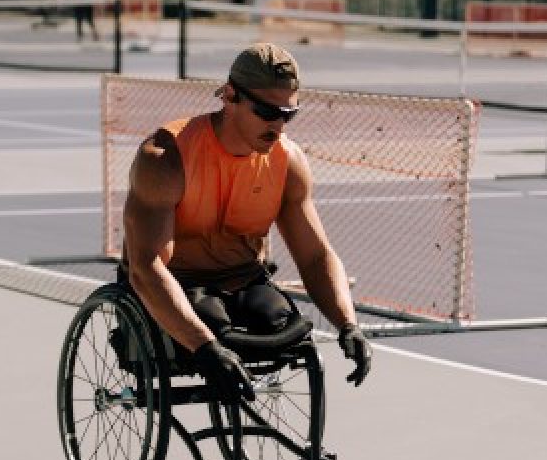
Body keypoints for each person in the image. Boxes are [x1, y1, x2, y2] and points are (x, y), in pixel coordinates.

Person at [121, 42, 371, 400]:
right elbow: (146, 268)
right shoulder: (166, 159)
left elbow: (316, 256)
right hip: (177, 280)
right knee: (214, 326)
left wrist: (349, 326)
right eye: (268, 111)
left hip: (242, 279)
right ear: (229, 96)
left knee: (285, 327)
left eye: (289, 114)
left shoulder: (288, 161)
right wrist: (204, 347)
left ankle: (310, 456)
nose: (278, 125)